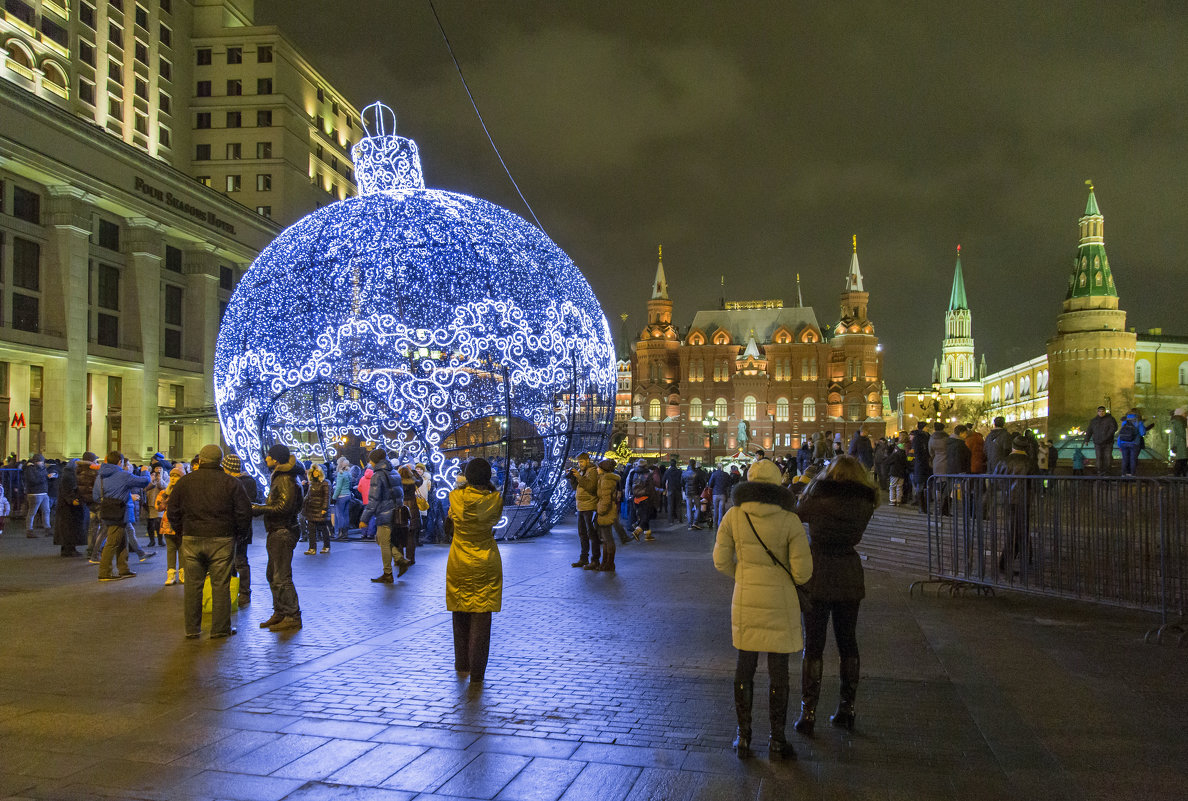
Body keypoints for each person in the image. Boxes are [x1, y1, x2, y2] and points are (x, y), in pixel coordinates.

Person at [712, 458, 812, 760]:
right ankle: (777, 740)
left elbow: (720, 561)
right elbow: (803, 572)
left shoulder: (734, 516)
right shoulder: (790, 520)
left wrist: (743, 575)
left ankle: (743, 738)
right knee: (778, 672)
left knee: (745, 667)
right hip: (781, 602)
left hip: (746, 600)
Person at [794, 455, 877, 735]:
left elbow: (797, 511)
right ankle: (847, 709)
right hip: (849, 572)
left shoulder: (817, 498)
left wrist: (815, 480)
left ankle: (808, 713)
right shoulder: (866, 501)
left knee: (814, 645)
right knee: (848, 643)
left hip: (817, 572)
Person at [167, 445, 252, 639]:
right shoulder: (231, 483)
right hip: (222, 538)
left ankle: (192, 628)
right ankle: (220, 629)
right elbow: (243, 512)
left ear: (201, 460)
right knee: (220, 584)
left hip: (191, 537)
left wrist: (182, 531)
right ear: (220, 461)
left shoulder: (185, 482)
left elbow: (172, 510)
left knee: (193, 584)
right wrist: (239, 534)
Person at [447, 458, 504, 684]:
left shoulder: (455, 497)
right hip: (486, 560)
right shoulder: (495, 500)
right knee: (482, 615)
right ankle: (478, 673)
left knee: (459, 610)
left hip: (459, 559)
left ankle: (462, 665)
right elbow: (494, 518)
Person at [252, 444, 305, 631]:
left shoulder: (285, 478)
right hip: (279, 529)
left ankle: (292, 615)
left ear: (275, 459)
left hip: (283, 530)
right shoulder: (284, 476)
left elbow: (284, 507)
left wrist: (258, 509)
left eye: (268, 456)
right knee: (273, 574)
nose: (265, 459)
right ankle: (281, 611)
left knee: (281, 576)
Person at [93, 452, 151, 580]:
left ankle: (123, 569)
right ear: (120, 462)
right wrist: (145, 471)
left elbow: (96, 497)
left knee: (122, 541)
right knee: (112, 543)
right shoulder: (123, 475)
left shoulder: (100, 476)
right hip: (119, 512)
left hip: (107, 511)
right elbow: (145, 481)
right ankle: (104, 573)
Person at [360, 449, 410, 582]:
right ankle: (400, 560)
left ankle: (388, 573)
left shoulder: (378, 475)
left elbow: (374, 499)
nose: (369, 462)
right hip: (394, 512)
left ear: (375, 460)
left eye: (370, 459)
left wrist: (364, 518)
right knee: (381, 539)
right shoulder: (394, 472)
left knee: (384, 543)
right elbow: (400, 494)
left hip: (384, 513)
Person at [222, 454, 257, 605]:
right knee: (235, 561)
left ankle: (242, 592)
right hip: (240, 528)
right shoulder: (248, 481)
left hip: (238, 528)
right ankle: (236, 592)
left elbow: (244, 507)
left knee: (239, 561)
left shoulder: (241, 483)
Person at [998, 435, 1032, 573]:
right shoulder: (1030, 462)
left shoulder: (1004, 461)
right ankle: (1005, 563)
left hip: (1008, 498)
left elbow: (996, 479)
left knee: (1018, 528)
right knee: (1018, 529)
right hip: (1023, 499)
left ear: (1013, 446)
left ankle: (1027, 556)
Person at [567, 452, 599, 566]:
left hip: (590, 506)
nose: (579, 464)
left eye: (581, 461)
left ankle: (595, 560)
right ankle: (583, 558)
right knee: (582, 533)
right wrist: (572, 479)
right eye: (578, 462)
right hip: (580, 506)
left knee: (592, 534)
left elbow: (591, 487)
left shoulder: (593, 471)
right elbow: (576, 487)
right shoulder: (581, 471)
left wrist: (579, 477)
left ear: (587, 460)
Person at [52, 456, 86, 557]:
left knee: (67, 528)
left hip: (66, 506)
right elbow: (68, 491)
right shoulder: (70, 476)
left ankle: (67, 548)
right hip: (68, 507)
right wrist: (72, 500)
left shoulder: (67, 474)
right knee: (69, 528)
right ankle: (69, 549)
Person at [157, 465, 186, 585]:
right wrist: (167, 494)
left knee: (183, 550)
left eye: (177, 476)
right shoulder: (164, 492)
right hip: (168, 525)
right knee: (171, 549)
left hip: (182, 524)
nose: (173, 479)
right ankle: (171, 574)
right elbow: (159, 507)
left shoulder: (185, 492)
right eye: (172, 476)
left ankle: (183, 573)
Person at [592, 458, 621, 572]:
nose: (597, 469)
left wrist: (600, 511)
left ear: (603, 469)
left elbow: (606, 499)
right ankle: (606, 563)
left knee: (608, 539)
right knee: (605, 539)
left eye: (598, 467)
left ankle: (609, 563)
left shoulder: (606, 480)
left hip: (606, 513)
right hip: (607, 511)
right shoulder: (604, 478)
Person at [301, 464, 332, 555]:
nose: (315, 473)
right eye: (314, 471)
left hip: (320, 509)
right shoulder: (312, 483)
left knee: (323, 528)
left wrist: (324, 508)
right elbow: (308, 496)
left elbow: (327, 497)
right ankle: (312, 548)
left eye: (317, 471)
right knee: (311, 529)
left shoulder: (325, 483)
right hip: (311, 509)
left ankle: (326, 546)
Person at [1083, 406, 1118, 476]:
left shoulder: (1110, 419)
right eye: (1100, 411)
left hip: (1108, 442)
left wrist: (1106, 437)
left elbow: (1113, 429)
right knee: (1099, 457)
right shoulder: (1094, 420)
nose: (1101, 413)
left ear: (1105, 412)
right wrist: (1086, 439)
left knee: (1107, 457)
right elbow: (1089, 430)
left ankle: (1107, 471)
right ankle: (1100, 471)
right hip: (1098, 442)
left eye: (1102, 411)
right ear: (1097, 412)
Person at [22, 454, 53, 534]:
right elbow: (33, 481)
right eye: (41, 461)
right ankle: (29, 530)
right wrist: (46, 477)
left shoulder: (40, 468)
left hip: (43, 492)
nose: (42, 463)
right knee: (32, 512)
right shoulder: (30, 469)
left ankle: (47, 528)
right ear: (36, 461)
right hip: (35, 493)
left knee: (46, 511)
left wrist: (49, 476)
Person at [631, 462, 657, 541]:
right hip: (645, 498)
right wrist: (653, 498)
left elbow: (630, 484)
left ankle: (648, 534)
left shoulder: (634, 473)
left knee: (643, 516)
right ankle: (637, 531)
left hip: (636, 498)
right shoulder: (647, 474)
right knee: (646, 517)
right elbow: (651, 488)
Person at [143, 465, 168, 547]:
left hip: (159, 503)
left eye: (160, 468)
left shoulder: (165, 476)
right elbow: (145, 488)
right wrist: (152, 480)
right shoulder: (149, 476)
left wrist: (160, 479)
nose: (159, 469)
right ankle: (152, 540)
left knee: (158, 522)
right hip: (149, 502)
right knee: (150, 523)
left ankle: (160, 540)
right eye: (157, 468)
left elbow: (165, 487)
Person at [1117, 409, 1146, 477]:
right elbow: (1142, 433)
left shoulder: (1124, 421)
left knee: (1125, 459)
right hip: (1134, 443)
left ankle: (1123, 474)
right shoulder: (1138, 421)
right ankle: (1132, 474)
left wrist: (1119, 444)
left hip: (1123, 442)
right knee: (1133, 459)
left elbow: (1121, 433)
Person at [910, 422, 931, 512]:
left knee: (924, 486)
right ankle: (922, 507)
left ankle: (923, 507)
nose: (928, 428)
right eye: (927, 427)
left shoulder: (926, 437)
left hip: (924, 465)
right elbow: (918, 452)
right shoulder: (919, 438)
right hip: (921, 465)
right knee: (921, 486)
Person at [331, 457, 353, 540]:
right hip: (348, 495)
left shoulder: (340, 474)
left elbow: (338, 487)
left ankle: (340, 533)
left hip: (341, 496)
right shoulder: (348, 473)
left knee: (340, 515)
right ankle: (345, 533)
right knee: (346, 515)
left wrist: (334, 497)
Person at [682, 459, 706, 530]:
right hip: (696, 492)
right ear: (694, 464)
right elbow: (702, 483)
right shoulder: (697, 473)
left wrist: (685, 489)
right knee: (698, 507)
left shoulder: (684, 473)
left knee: (689, 508)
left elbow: (682, 483)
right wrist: (700, 489)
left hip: (688, 492)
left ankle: (690, 524)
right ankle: (695, 522)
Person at [708, 462, 732, 529]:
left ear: (717, 467)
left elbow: (710, 484)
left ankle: (715, 524)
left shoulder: (714, 474)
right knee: (721, 509)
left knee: (715, 509)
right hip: (723, 494)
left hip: (715, 494)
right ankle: (720, 524)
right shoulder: (726, 474)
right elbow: (729, 484)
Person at [887, 440, 909, 506]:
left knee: (892, 487)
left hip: (894, 473)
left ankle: (893, 501)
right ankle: (899, 500)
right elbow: (906, 464)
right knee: (899, 487)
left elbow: (888, 461)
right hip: (902, 474)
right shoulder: (904, 456)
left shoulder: (895, 455)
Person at [663, 458, 683, 524]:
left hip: (670, 489)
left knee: (670, 505)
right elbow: (682, 481)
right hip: (678, 489)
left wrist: (665, 488)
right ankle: (679, 519)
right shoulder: (679, 471)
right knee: (678, 505)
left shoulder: (667, 471)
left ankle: (670, 520)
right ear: (675, 464)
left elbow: (663, 480)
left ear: (670, 464)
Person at [1170, 409, 1187, 477]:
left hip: (1180, 443)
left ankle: (1180, 476)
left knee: (1182, 460)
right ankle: (1178, 476)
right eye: (1184, 413)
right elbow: (1182, 433)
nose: (1185, 415)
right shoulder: (1179, 422)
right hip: (1181, 443)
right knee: (1182, 460)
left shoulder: (1177, 422)